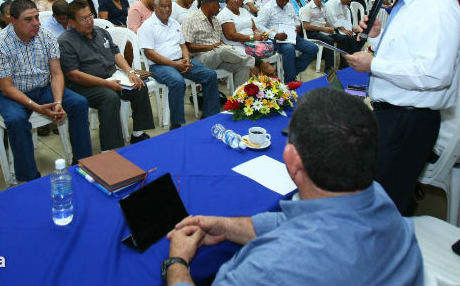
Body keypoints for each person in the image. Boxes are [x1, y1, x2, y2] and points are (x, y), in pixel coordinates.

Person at [164, 87, 424, 286]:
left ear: (291, 160)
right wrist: (227, 226)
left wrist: (177, 263)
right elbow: (299, 223)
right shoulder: (381, 200)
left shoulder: (268, 269)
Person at [345, 0, 460, 216]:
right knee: (387, 197)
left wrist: (373, 65)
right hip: (393, 114)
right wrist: (373, 40)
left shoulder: (438, 7)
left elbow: (435, 74)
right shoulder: (409, 3)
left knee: (386, 205)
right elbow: (403, 57)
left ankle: (384, 257)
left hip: (408, 120)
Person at [0, 0, 92, 181]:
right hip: (10, 94)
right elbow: (7, 88)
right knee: (16, 120)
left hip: (42, 87)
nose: (36, 23)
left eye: (36, 17)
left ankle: (83, 163)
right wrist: (36, 107)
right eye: (28, 19)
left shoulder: (46, 36)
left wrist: (58, 102)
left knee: (79, 103)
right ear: (13, 21)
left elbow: (57, 74)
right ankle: (29, 178)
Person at [59, 0, 155, 151]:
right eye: (83, 19)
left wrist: (130, 72)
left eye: (90, 16)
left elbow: (116, 53)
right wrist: (106, 84)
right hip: (84, 85)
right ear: (72, 22)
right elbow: (74, 75)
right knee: (109, 97)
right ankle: (110, 148)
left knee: (138, 85)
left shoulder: (100, 32)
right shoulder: (65, 41)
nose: (89, 21)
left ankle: (138, 133)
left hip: (112, 76)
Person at [140, 0, 219, 130]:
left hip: (180, 61)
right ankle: (177, 124)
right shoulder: (148, 26)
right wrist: (175, 64)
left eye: (169, 6)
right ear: (155, 7)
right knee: (177, 82)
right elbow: (150, 53)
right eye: (163, 6)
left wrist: (187, 59)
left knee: (210, 75)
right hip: (159, 65)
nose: (167, 9)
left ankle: (210, 116)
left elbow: (183, 46)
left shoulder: (175, 23)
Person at [183, 0, 254, 87]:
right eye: (217, 4)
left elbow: (219, 41)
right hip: (199, 58)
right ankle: (254, 61)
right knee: (222, 50)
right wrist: (210, 47)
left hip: (218, 57)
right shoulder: (190, 20)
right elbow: (188, 46)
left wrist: (224, 47)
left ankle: (238, 99)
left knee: (243, 66)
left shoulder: (216, 21)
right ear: (208, 4)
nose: (219, 7)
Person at [255, 0, 318, 83]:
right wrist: (275, 35)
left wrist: (298, 26)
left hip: (291, 36)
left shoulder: (289, 6)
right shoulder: (268, 7)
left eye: (287, 0)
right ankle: (290, 80)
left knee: (313, 48)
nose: (284, 2)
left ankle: (291, 72)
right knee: (289, 48)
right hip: (276, 38)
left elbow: (296, 18)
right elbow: (259, 24)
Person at [217, 0, 276, 76]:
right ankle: (261, 68)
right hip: (235, 44)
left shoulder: (244, 11)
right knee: (254, 68)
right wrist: (252, 37)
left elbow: (254, 28)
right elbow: (231, 35)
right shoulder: (225, 14)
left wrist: (258, 34)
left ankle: (264, 84)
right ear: (227, 0)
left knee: (267, 48)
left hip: (252, 43)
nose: (236, 1)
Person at [300, 0, 357, 71]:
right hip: (313, 32)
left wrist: (330, 28)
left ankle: (344, 66)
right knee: (329, 40)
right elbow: (306, 26)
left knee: (345, 38)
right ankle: (328, 68)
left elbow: (325, 20)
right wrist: (323, 29)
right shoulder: (307, 8)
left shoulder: (323, 6)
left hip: (324, 31)